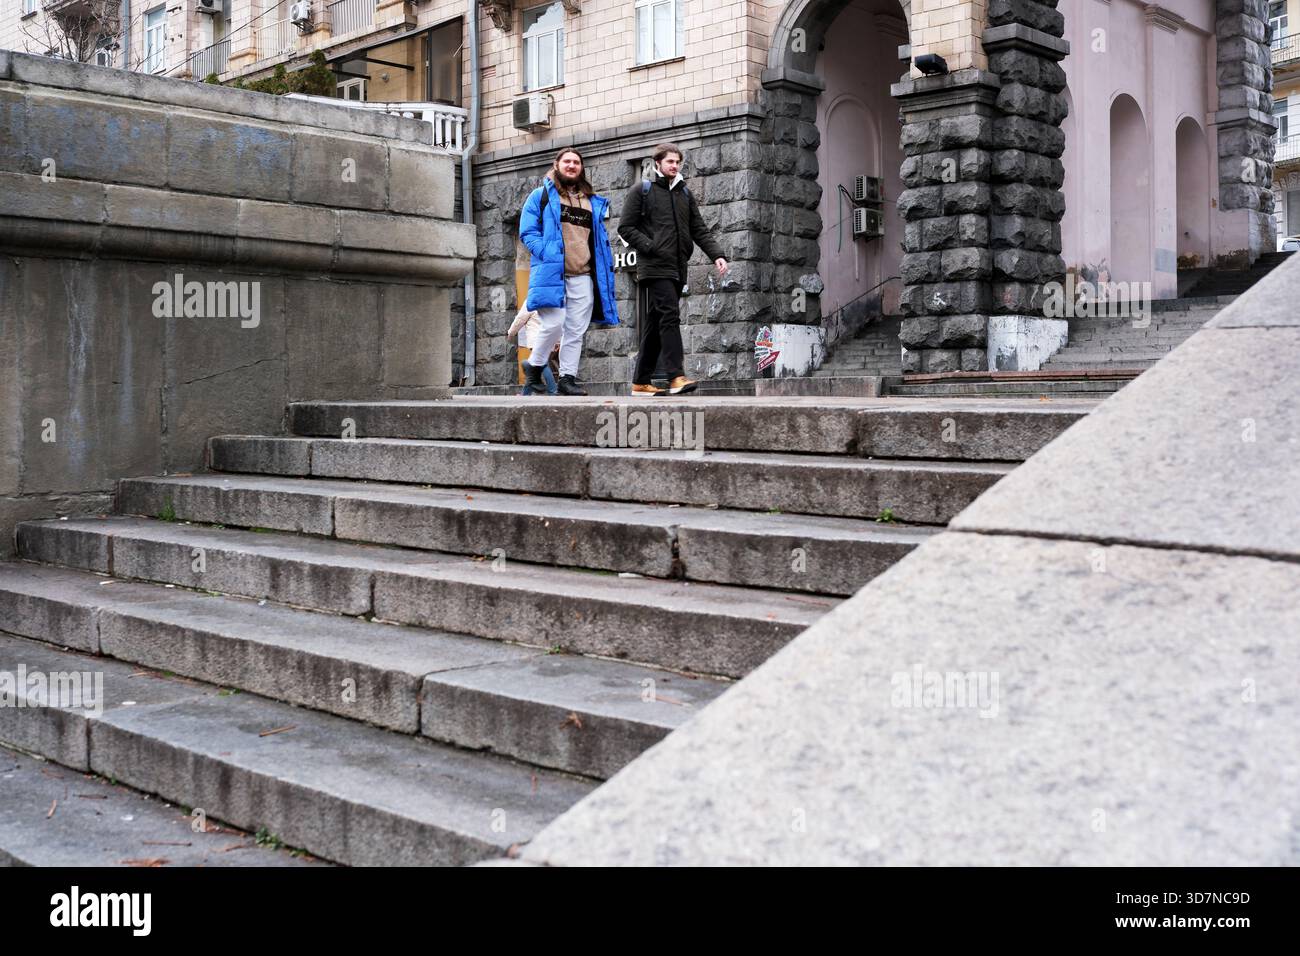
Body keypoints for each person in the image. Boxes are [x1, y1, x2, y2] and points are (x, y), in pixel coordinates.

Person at [618, 143, 729, 396]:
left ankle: (640, 382)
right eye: (670, 162)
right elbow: (626, 228)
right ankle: (675, 376)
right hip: (655, 266)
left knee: (656, 322)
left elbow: (699, 229)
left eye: (677, 162)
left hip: (678, 267)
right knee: (670, 316)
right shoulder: (642, 190)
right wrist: (651, 246)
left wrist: (717, 255)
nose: (674, 166)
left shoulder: (684, 194)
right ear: (657, 163)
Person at [518, 147, 620, 396]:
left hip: (583, 274)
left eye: (576, 162)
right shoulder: (540, 196)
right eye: (567, 161)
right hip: (551, 272)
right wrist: (547, 253)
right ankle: (535, 366)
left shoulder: (591, 201)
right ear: (557, 165)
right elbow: (527, 232)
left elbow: (596, 240)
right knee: (554, 323)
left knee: (575, 330)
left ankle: (566, 378)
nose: (572, 165)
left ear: (581, 168)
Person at [508, 305, 559, 395]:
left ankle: (553, 390)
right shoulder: (550, 300)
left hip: (536, 339)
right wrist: (557, 341)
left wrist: (511, 332)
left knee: (542, 364)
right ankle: (525, 393)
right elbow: (557, 321)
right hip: (548, 338)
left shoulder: (532, 299)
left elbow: (520, 319)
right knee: (535, 366)